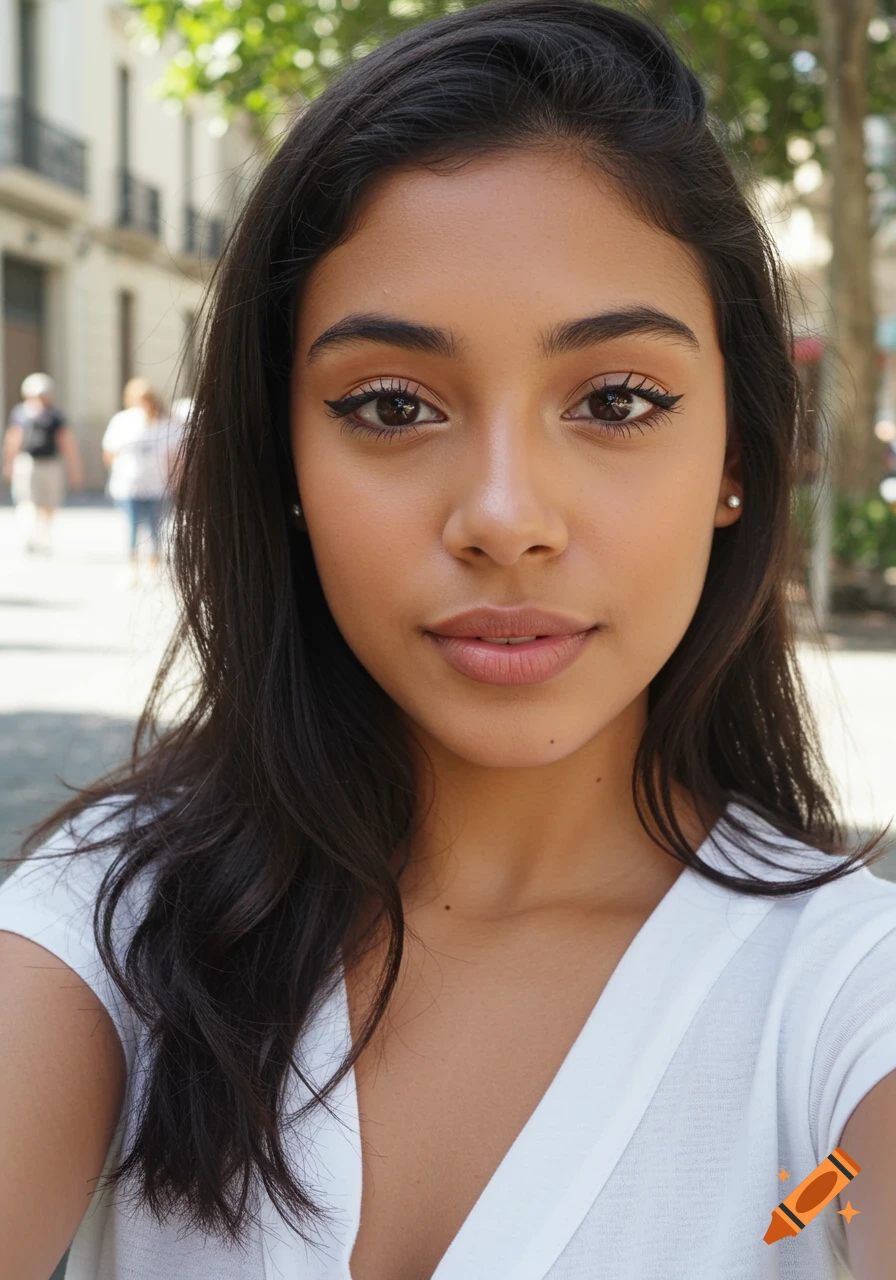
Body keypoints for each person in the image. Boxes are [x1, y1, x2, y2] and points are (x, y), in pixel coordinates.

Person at [1, 4, 895, 1278]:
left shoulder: (841, 1014)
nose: (504, 519)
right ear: (284, 460)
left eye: (616, 399)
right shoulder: (106, 938)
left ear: (735, 461)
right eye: (389, 404)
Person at [101, 378, 177, 586]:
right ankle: (132, 568)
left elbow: (173, 454)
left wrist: (175, 479)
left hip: (157, 485)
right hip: (129, 485)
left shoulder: (164, 423)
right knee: (132, 527)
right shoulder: (123, 421)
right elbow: (109, 451)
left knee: (155, 528)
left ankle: (153, 567)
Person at [3, 372, 84, 552]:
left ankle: (44, 536)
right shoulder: (21, 413)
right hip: (28, 462)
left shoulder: (55, 416)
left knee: (49, 502)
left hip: (51, 463)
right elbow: (14, 438)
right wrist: (9, 463)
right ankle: (30, 535)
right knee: (27, 500)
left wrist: (74, 467)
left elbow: (66, 441)